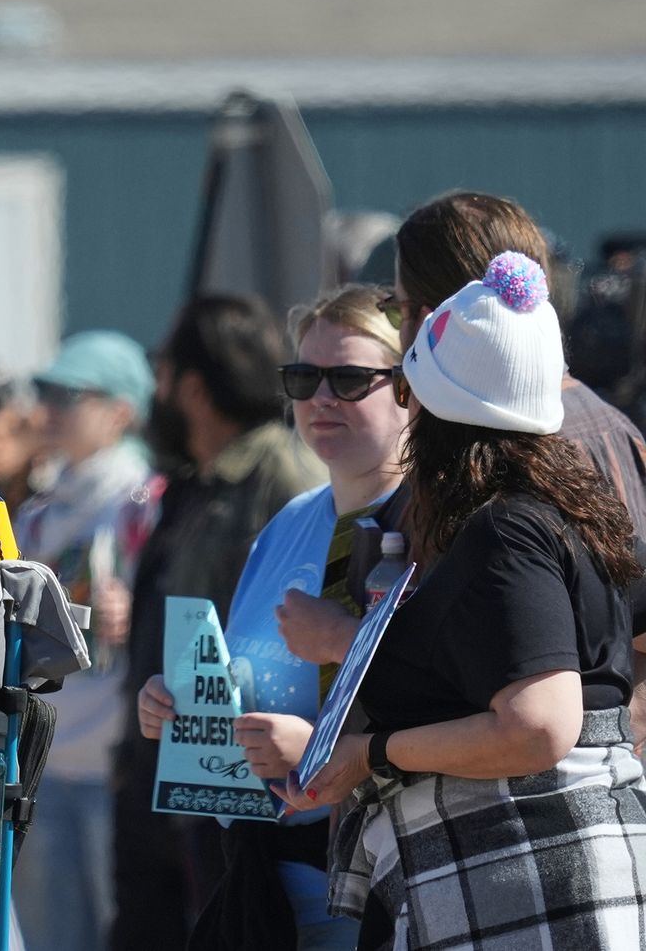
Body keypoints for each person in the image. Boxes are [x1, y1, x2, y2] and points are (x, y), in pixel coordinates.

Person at [283, 253, 646, 948]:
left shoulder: (505, 528)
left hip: (529, 892)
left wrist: (374, 752)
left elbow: (539, 725)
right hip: (554, 882)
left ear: (426, 401)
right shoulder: (562, 505)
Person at [280, 190, 646, 748]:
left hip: (527, 817)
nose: (406, 331)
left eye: (399, 309)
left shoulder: (544, 455)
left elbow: (557, 688)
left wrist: (611, 748)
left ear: (443, 318)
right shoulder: (502, 454)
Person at [138, 284, 408, 949]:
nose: (320, 398)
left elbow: (456, 697)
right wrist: (185, 704)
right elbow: (246, 678)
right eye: (303, 376)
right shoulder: (289, 522)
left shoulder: (440, 521)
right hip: (269, 877)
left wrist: (318, 754)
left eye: (348, 378)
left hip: (390, 884)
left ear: (411, 391)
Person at [110, 294, 323, 951]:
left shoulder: (282, 475)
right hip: (170, 778)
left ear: (195, 389)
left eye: (166, 376)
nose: (157, 394)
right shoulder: (195, 482)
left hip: (242, 791)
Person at [10, 331, 157, 951]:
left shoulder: (145, 504)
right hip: (40, 765)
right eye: (42, 390)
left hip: (111, 766)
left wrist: (138, 609)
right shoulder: (38, 510)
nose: (45, 407)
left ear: (120, 411)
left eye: (66, 394)